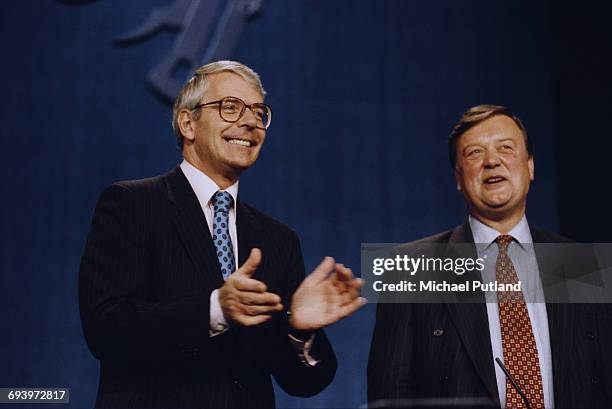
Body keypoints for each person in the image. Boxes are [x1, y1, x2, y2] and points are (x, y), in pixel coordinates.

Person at [79, 60, 366, 409]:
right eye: (230, 107)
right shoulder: (132, 204)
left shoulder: (277, 240)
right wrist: (216, 309)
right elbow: (106, 327)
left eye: (259, 113)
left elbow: (304, 383)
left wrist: (298, 330)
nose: (249, 122)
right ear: (188, 123)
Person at [367, 105, 611, 408]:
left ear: (530, 166)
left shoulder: (583, 264)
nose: (492, 161)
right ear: (458, 177)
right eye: (474, 154)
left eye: (506, 148)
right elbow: (389, 394)